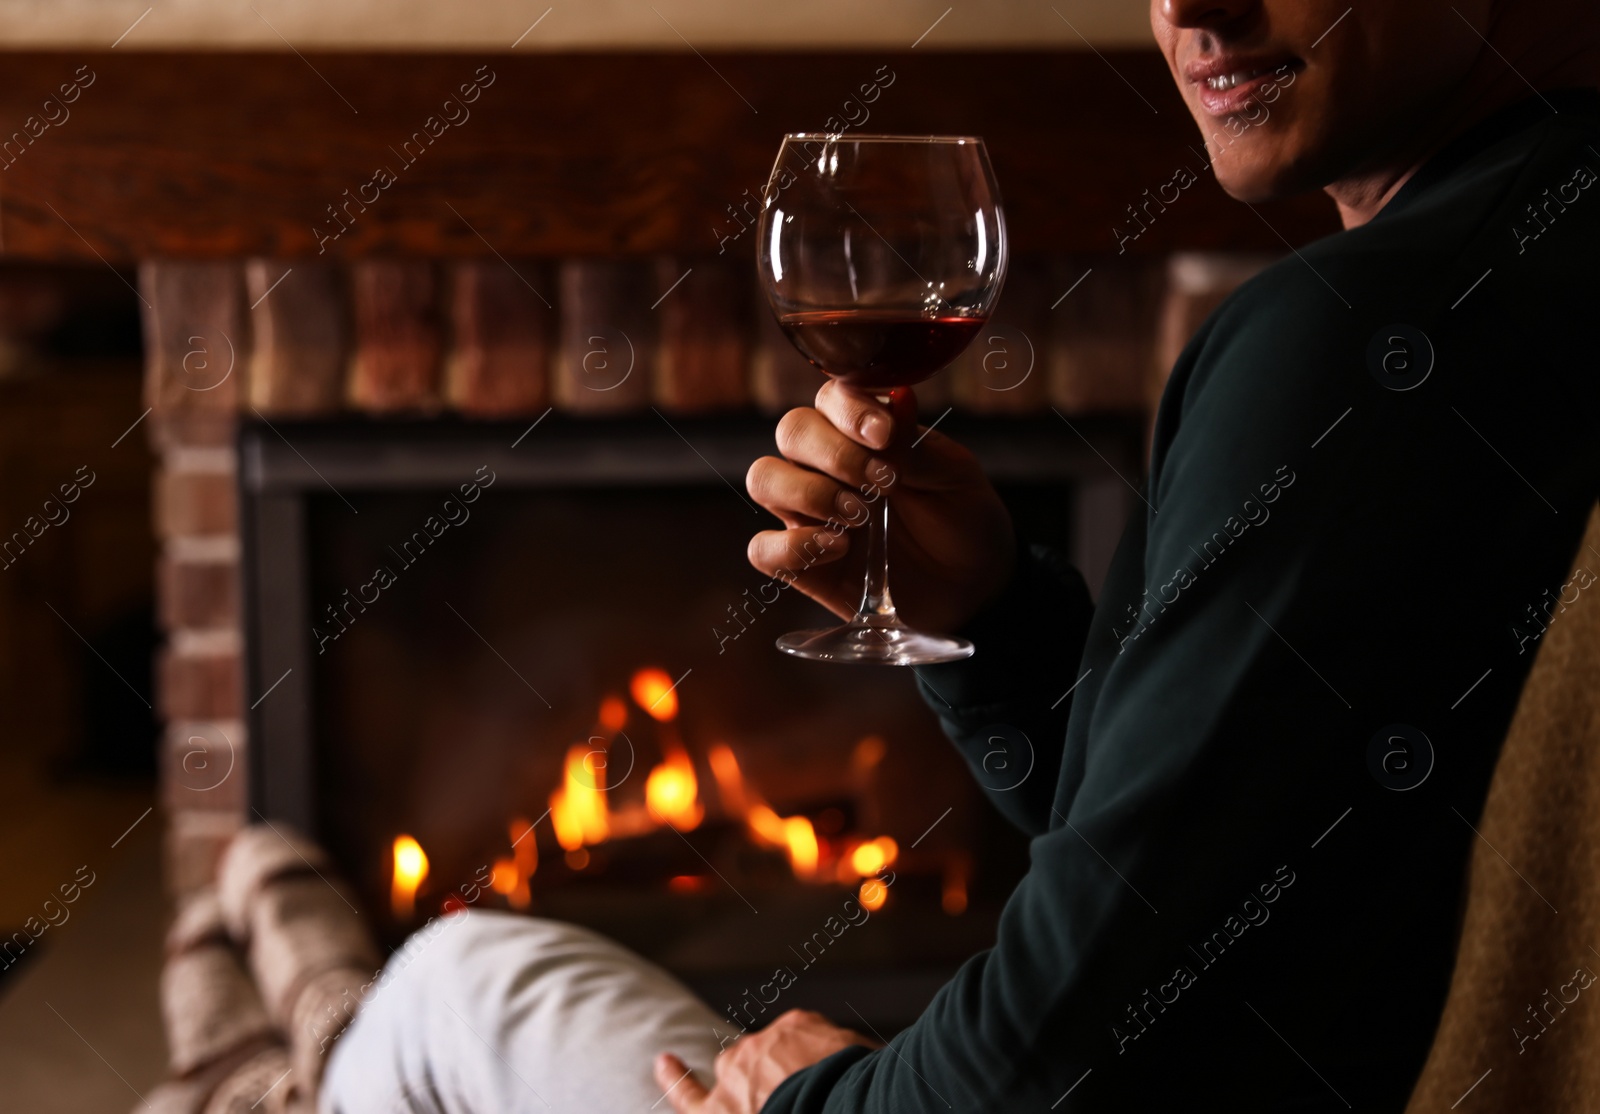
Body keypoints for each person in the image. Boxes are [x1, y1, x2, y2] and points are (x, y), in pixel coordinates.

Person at [322, 1, 1600, 1111]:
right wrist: (988, 617)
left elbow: (1066, 1061)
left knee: (452, 988)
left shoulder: (1344, 341)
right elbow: (1234, 875)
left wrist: (816, 1099)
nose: (1190, 5)